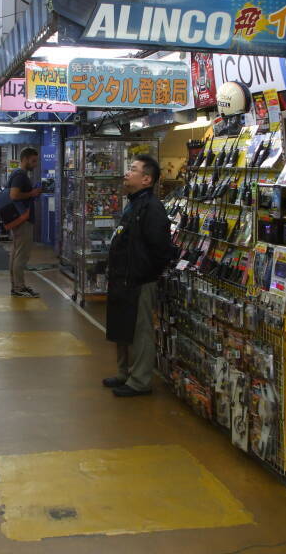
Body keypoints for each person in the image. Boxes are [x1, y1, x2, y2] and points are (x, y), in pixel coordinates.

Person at [103, 155, 172, 397]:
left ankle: (140, 380)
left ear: (146, 179)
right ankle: (125, 372)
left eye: (132, 170)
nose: (126, 173)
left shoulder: (152, 208)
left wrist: (146, 271)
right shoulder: (133, 203)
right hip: (123, 278)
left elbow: (162, 248)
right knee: (123, 328)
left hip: (140, 280)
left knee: (140, 331)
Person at [8, 148, 41, 297]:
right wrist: (32, 193)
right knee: (21, 254)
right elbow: (14, 195)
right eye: (33, 161)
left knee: (16, 253)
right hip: (23, 220)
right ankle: (19, 287)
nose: (35, 164)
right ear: (25, 159)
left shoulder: (18, 174)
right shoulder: (20, 175)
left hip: (18, 219)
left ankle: (17, 285)